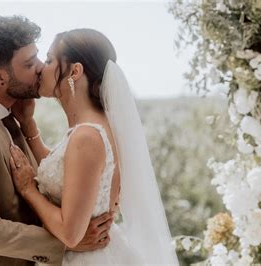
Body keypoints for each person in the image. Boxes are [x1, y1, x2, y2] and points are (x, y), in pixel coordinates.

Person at [0, 17, 113, 266]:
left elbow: (54, 178)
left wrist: (28, 126)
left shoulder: (13, 116)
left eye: (40, 58)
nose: (41, 68)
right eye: (30, 64)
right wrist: (66, 243)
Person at [10, 28, 179, 265]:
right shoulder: (100, 125)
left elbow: (70, 233)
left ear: (75, 71)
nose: (41, 68)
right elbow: (69, 173)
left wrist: (28, 188)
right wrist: (28, 126)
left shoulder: (86, 136)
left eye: (49, 60)